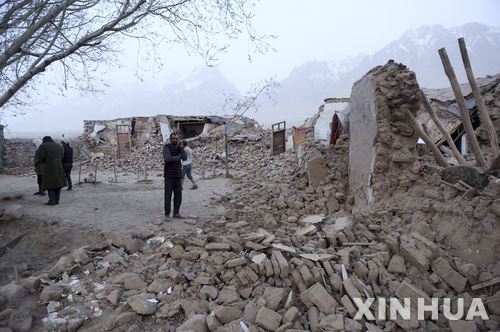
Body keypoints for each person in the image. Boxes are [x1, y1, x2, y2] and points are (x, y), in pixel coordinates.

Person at [163, 133, 187, 221]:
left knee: (178, 196)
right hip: (169, 176)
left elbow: (184, 158)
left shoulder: (179, 147)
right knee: (168, 196)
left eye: (176, 139)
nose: (175, 140)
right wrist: (178, 157)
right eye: (173, 138)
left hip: (178, 175)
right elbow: (167, 158)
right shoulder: (167, 147)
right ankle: (167, 214)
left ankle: (176, 213)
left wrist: (181, 148)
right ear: (170, 139)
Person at [38, 136, 67, 205]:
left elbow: (41, 157)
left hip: (49, 168)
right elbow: (62, 157)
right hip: (59, 167)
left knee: (50, 184)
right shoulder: (58, 146)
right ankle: (57, 200)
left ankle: (52, 201)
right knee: (58, 184)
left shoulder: (43, 146)